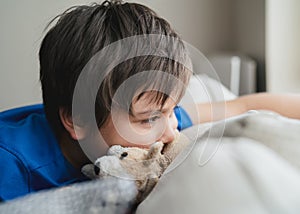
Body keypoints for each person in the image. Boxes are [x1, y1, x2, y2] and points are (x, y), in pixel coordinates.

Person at [0, 0, 300, 202]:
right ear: (78, 120)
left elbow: (243, 106)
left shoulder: (155, 120)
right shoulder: (9, 165)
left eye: (170, 112)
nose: (172, 132)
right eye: (150, 119)